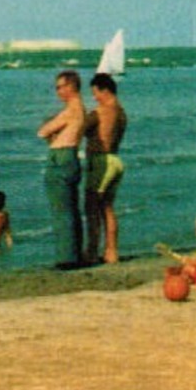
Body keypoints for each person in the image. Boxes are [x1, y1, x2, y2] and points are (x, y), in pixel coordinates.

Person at [37, 69, 86, 268]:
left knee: (61, 210)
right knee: (71, 209)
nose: (57, 92)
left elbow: (43, 132)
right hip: (69, 156)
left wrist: (51, 131)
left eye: (60, 87)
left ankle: (66, 258)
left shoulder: (72, 109)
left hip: (61, 157)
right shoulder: (79, 109)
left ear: (70, 87)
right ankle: (74, 254)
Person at [82, 72, 128, 264]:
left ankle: (92, 252)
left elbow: (81, 128)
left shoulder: (101, 111)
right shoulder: (121, 112)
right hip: (115, 160)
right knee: (107, 208)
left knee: (92, 207)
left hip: (101, 161)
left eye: (95, 93)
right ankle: (112, 251)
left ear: (105, 90)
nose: (94, 97)